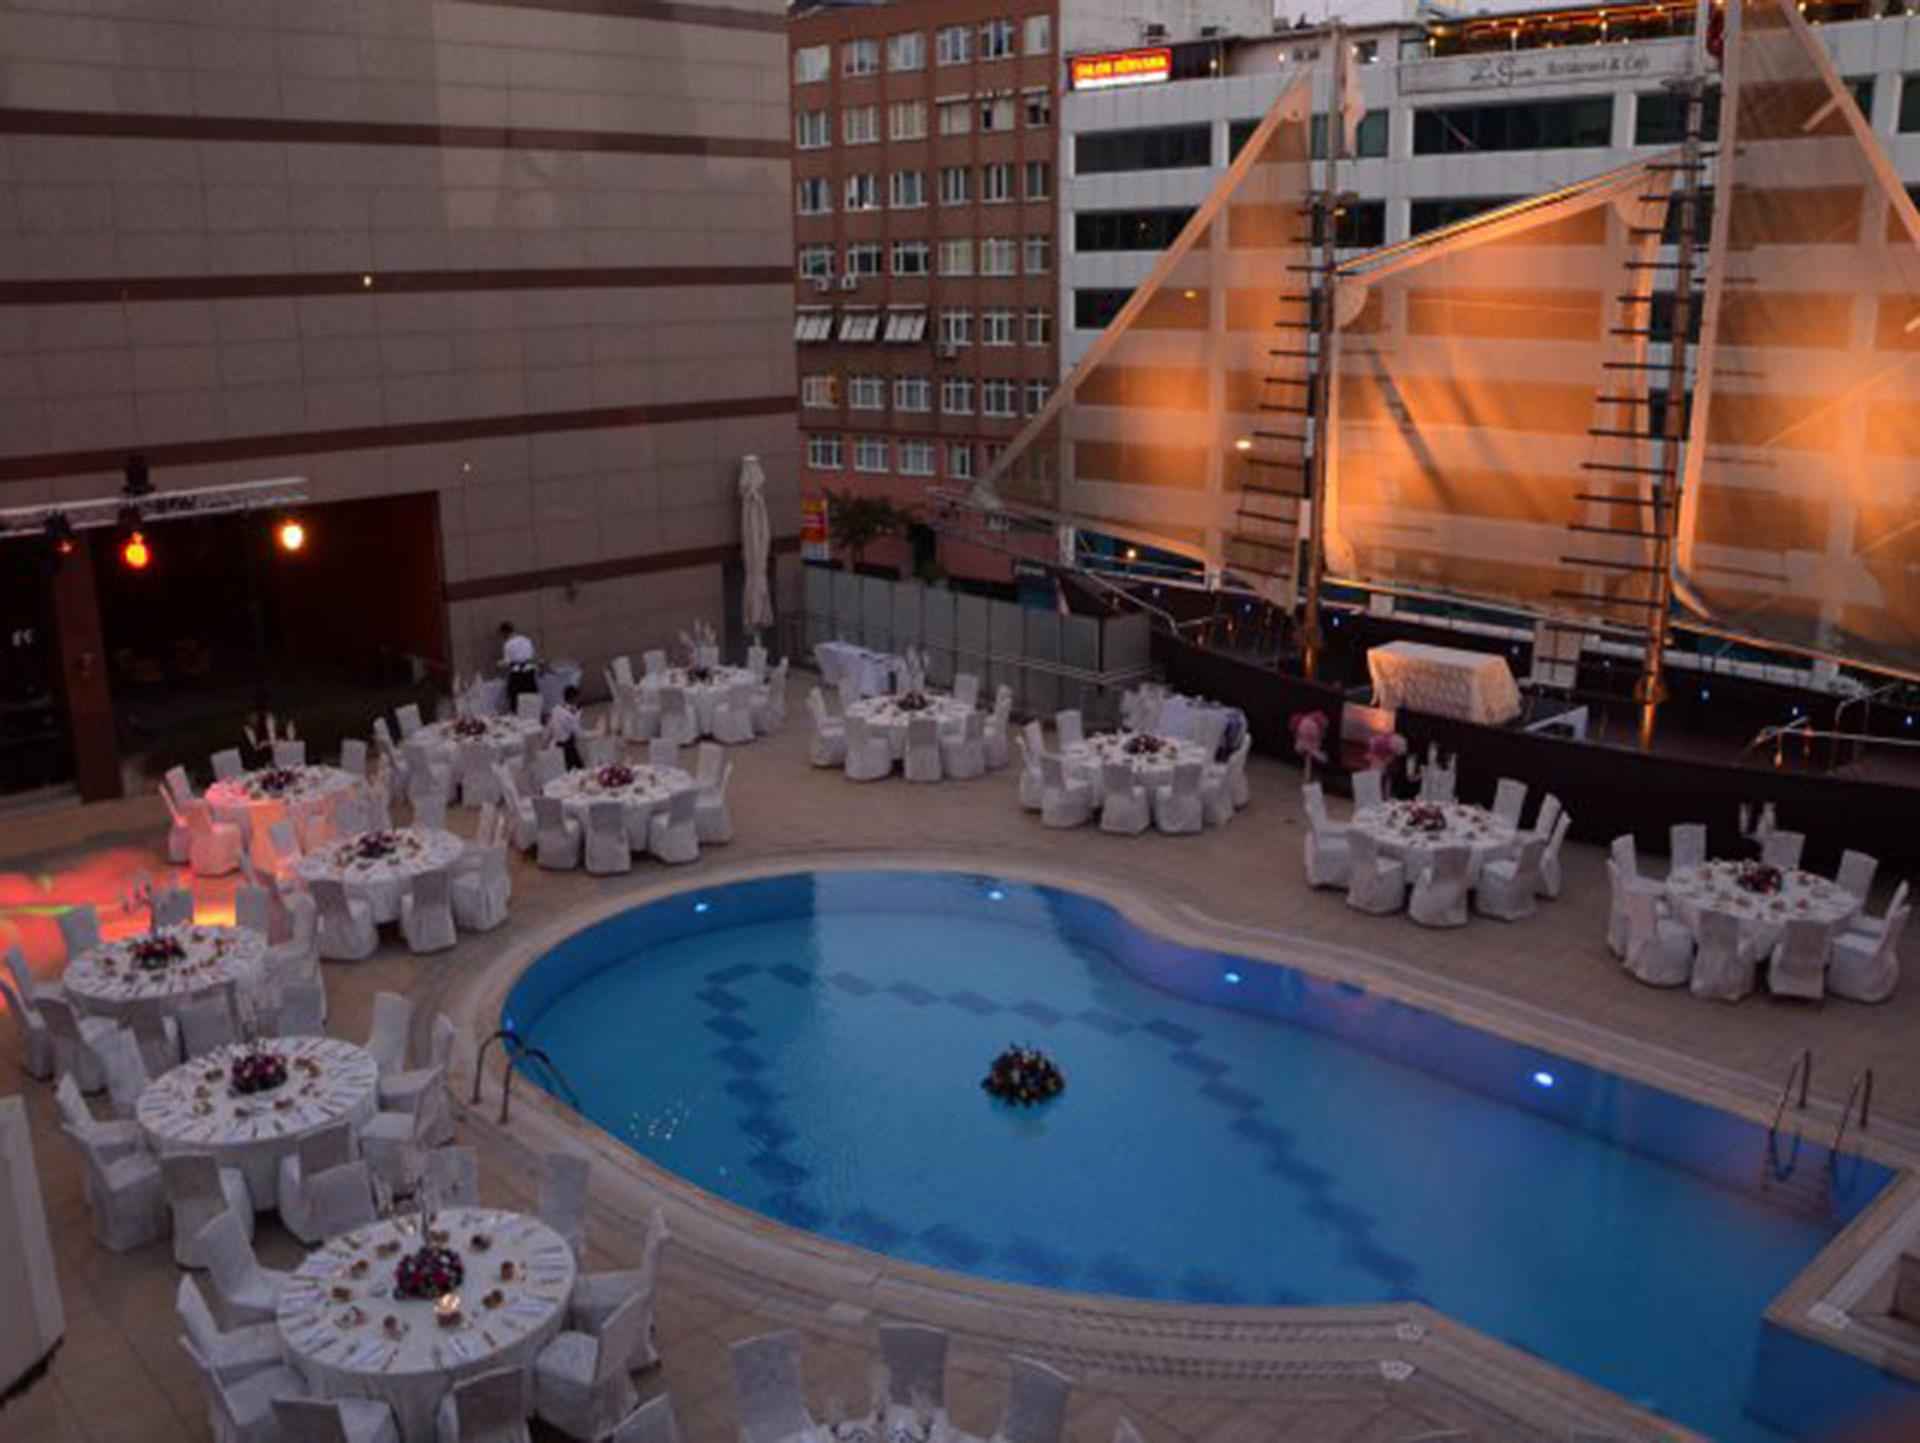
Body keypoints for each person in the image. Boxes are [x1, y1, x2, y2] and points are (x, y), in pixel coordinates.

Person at [499, 621, 537, 714]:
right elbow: (532, 655)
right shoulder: (526, 640)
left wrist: (500, 664)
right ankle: (533, 716)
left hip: (517, 673)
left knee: (515, 698)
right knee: (530, 696)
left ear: (505, 632)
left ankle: (518, 717)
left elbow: (508, 662)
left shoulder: (508, 644)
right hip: (529, 671)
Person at [547, 685, 585, 771]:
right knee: (578, 769)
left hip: (556, 745)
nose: (579, 700)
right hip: (567, 746)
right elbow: (579, 733)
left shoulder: (556, 709)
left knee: (574, 767)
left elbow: (550, 728)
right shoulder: (569, 715)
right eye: (577, 698)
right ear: (573, 698)